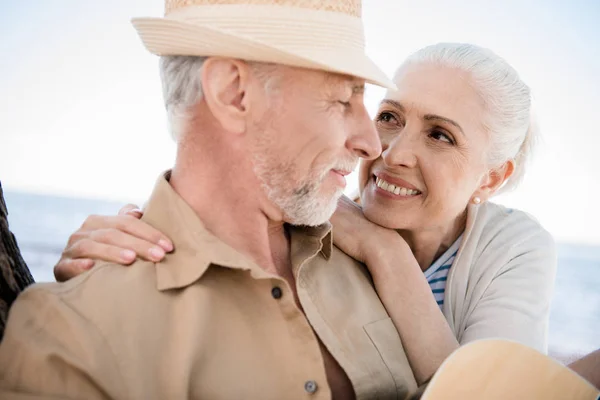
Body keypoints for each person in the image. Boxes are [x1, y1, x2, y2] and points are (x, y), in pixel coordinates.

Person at [57, 42, 559, 385]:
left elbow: (485, 392)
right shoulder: (319, 214)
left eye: (440, 135)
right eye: (390, 118)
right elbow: (218, 207)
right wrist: (117, 260)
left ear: (492, 178)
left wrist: (386, 254)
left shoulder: (512, 248)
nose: (391, 153)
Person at [0, 1, 421, 399]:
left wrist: (390, 255)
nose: (371, 143)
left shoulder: (386, 258)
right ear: (233, 92)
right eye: (343, 99)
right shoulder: (75, 331)